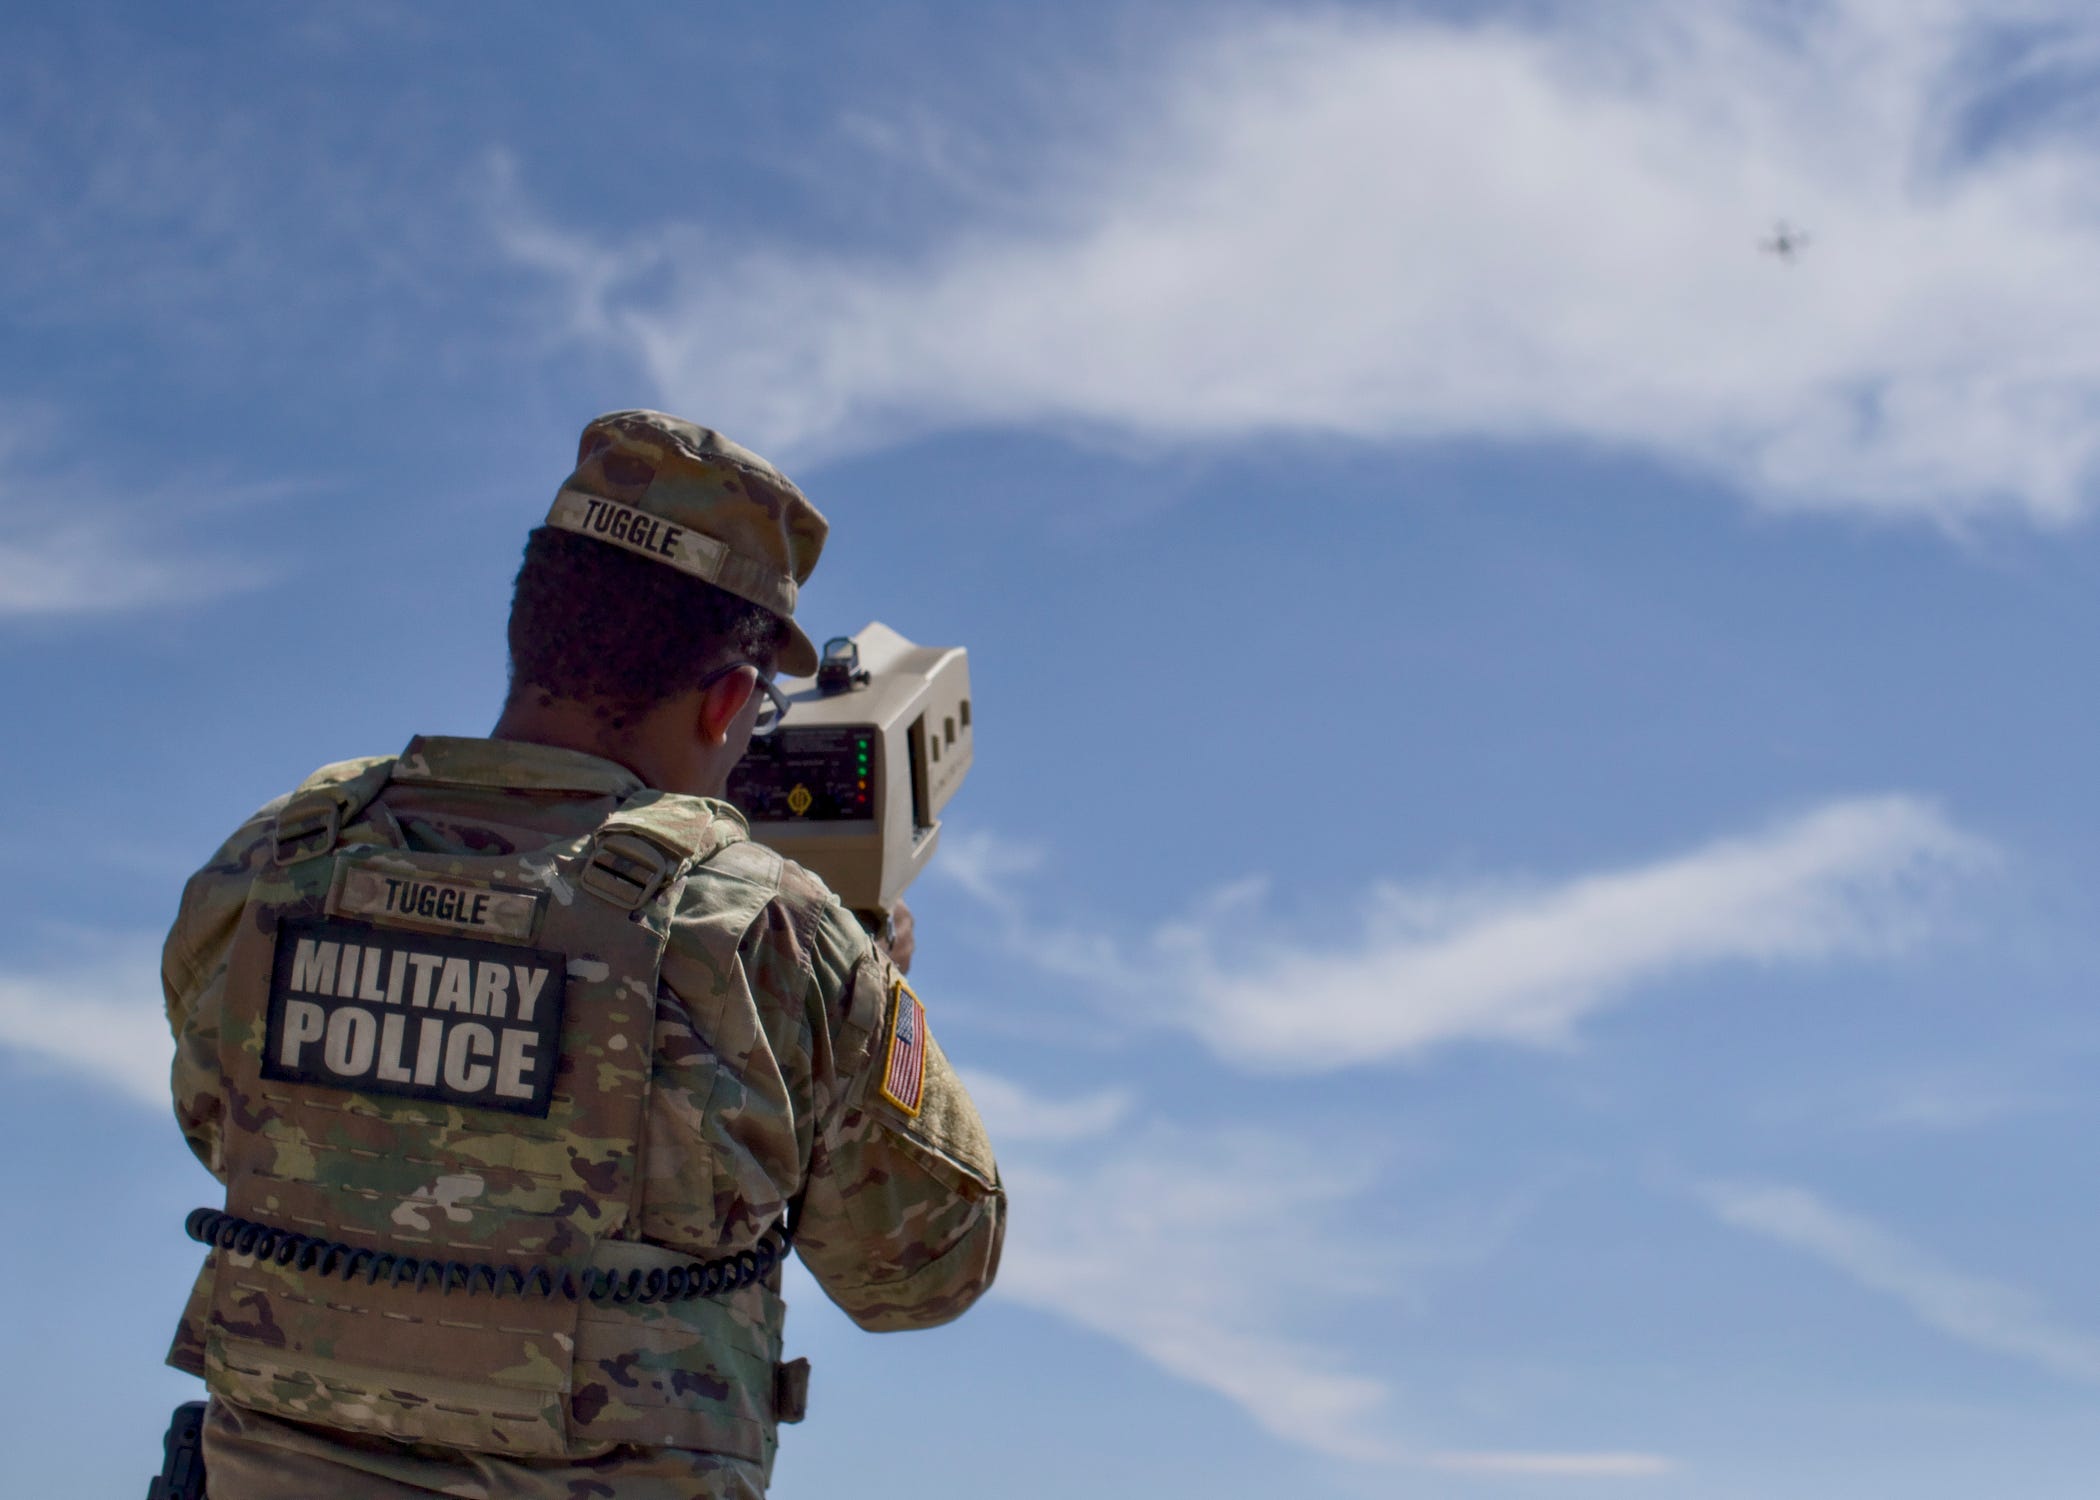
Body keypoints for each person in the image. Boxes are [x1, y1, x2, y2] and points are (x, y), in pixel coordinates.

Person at [161, 410, 1005, 1499]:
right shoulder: (772, 933)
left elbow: (226, 1127)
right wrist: (871, 977)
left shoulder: (279, 855)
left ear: (530, 634)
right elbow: (923, 1271)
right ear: (731, 700)